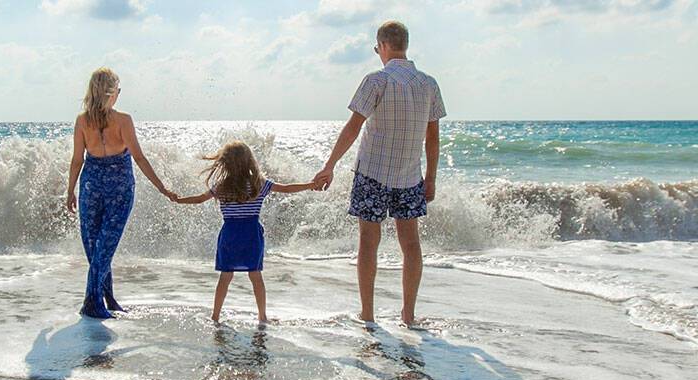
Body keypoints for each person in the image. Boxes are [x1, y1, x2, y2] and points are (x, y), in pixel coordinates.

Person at [311, 20, 446, 326]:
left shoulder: (376, 80)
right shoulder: (429, 84)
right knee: (411, 244)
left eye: (377, 48)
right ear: (405, 45)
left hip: (372, 173)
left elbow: (353, 128)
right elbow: (433, 138)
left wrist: (330, 165)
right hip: (410, 177)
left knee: (368, 243)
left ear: (383, 46)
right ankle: (408, 315)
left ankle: (368, 314)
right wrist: (431, 177)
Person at [64, 67, 174, 319]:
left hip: (91, 186)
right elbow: (139, 157)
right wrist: (161, 187)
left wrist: (70, 191)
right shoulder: (122, 120)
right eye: (119, 90)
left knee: (99, 247)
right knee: (101, 248)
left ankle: (105, 299)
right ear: (111, 93)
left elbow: (77, 161)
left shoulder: (83, 121)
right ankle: (93, 302)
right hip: (118, 188)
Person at [169, 142, 321, 324]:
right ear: (250, 161)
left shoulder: (221, 186)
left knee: (225, 276)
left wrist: (179, 200)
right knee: (255, 275)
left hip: (230, 235)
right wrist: (311, 185)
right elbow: (287, 188)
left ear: (225, 163)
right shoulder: (259, 184)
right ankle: (262, 316)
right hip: (251, 235)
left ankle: (215, 316)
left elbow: (200, 199)